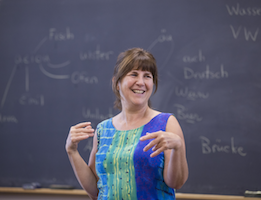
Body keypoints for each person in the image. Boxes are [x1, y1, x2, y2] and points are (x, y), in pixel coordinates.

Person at [65, 47, 188, 200]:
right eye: (134, 74)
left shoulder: (166, 123)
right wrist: (72, 151)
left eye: (147, 76)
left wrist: (178, 147)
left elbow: (176, 183)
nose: (141, 82)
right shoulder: (104, 129)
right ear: (117, 82)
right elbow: (96, 188)